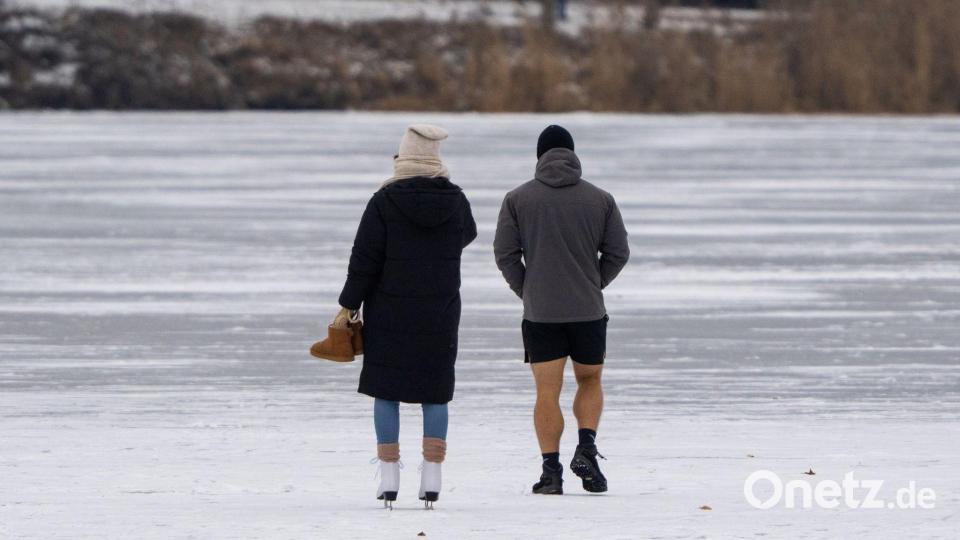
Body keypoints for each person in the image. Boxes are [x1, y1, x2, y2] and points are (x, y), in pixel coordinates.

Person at [334, 124, 477, 509]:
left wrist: (348, 304)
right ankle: (432, 476)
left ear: (403, 157)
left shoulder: (383, 201)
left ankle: (389, 476)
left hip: (390, 310)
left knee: (387, 390)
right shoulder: (457, 201)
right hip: (440, 310)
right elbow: (469, 234)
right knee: (435, 390)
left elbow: (364, 259)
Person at [494, 125, 629, 495]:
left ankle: (551, 473)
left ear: (539, 156)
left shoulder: (517, 199)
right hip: (587, 311)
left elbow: (505, 254)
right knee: (590, 380)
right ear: (572, 154)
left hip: (541, 315)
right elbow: (618, 253)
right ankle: (586, 446)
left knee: (546, 392)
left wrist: (529, 290)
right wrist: (592, 284)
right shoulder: (601, 199)